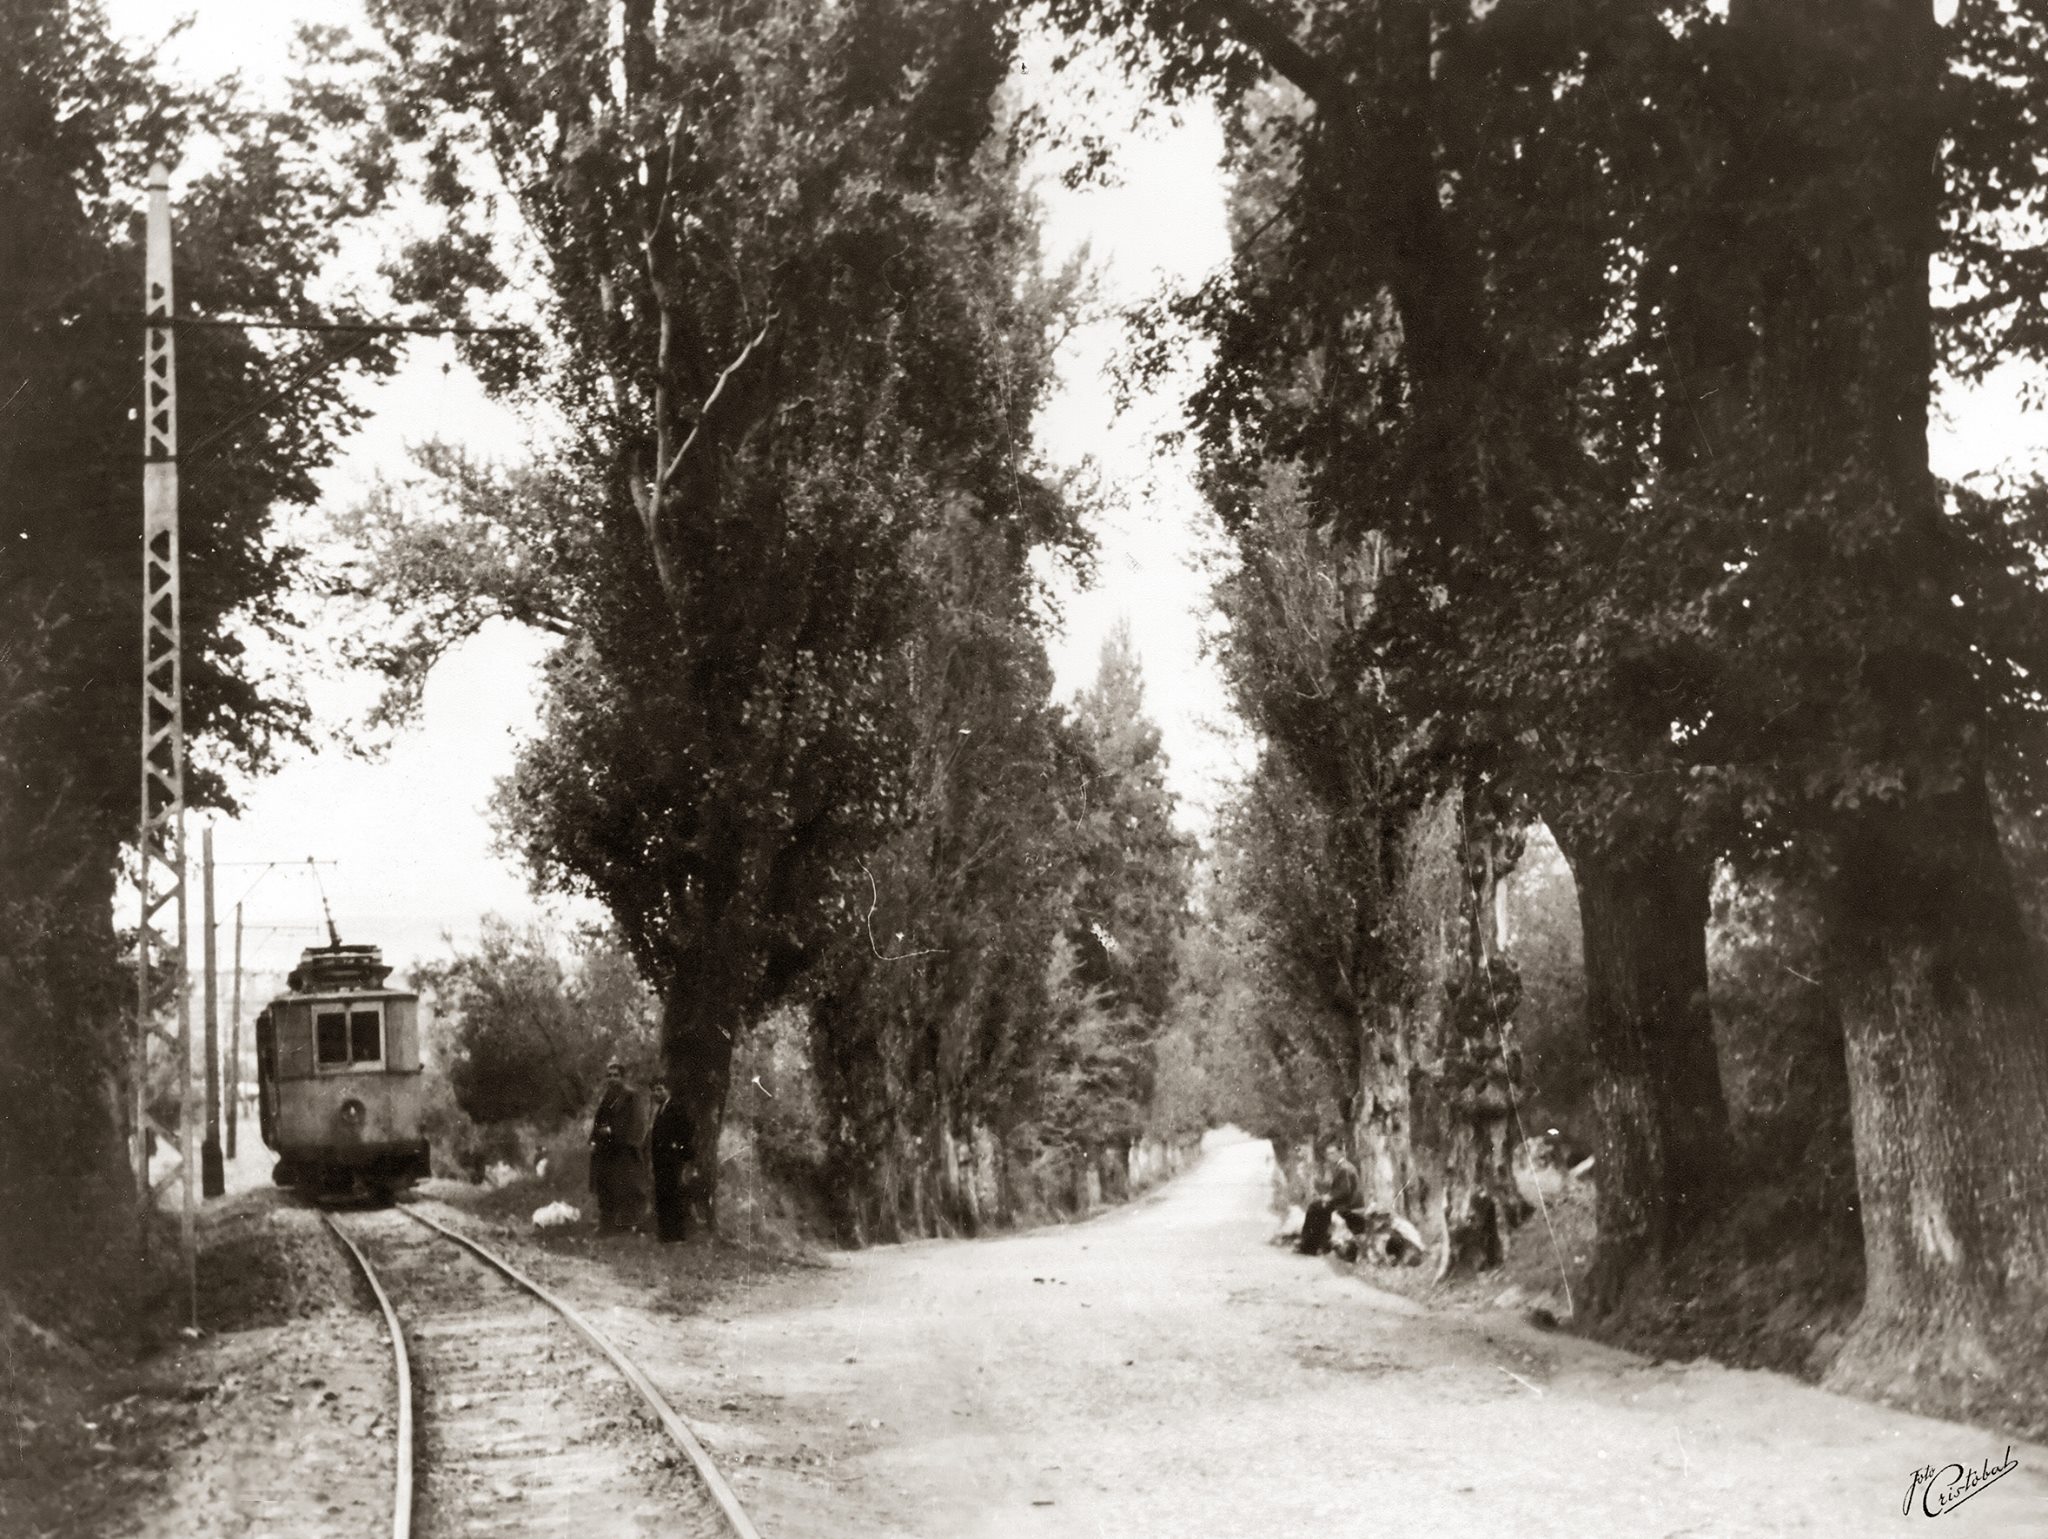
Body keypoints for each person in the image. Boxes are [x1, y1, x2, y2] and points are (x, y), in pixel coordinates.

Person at [588, 1061, 642, 1235]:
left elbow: (635, 1123)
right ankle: (606, 1225)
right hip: (605, 1150)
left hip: (622, 1150)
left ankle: (626, 1226)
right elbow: (599, 1121)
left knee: (624, 1188)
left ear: (622, 1077)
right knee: (604, 1187)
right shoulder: (607, 1097)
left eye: (615, 1075)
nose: (612, 1079)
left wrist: (614, 1132)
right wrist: (593, 1139)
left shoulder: (630, 1096)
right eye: (609, 1075)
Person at [648, 1080, 697, 1244]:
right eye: (654, 1090)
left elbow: (688, 1130)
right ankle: (665, 1234)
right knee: (663, 1195)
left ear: (668, 1090)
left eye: (660, 1089)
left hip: (673, 1160)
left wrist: (680, 1149)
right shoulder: (660, 1111)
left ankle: (677, 1235)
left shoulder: (676, 1108)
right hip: (661, 1161)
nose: (657, 1093)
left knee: (674, 1195)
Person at [1297, 1157, 1363, 1256]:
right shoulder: (1342, 1167)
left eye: (1333, 1153)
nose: (1330, 1156)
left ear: (1340, 1153)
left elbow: (1345, 1190)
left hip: (1348, 1203)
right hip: (1345, 1201)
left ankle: (1311, 1247)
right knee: (1316, 1206)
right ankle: (1313, 1245)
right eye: (1329, 1153)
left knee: (1316, 1209)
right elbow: (1338, 1188)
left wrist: (1329, 1197)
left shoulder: (1344, 1168)